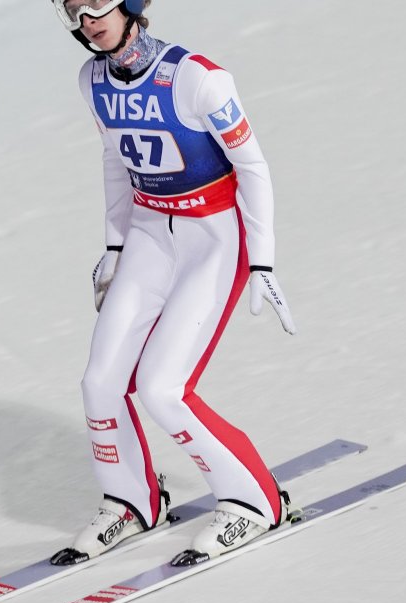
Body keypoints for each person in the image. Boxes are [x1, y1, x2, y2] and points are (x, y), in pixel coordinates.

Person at [46, 0, 300, 568]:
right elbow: (115, 159)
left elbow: (252, 168)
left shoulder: (196, 78)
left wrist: (263, 261)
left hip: (212, 239)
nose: (88, 18)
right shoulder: (92, 79)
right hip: (148, 234)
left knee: (164, 388)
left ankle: (255, 502)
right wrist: (114, 246)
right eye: (73, 9)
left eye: (98, 2)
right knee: (100, 382)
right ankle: (134, 501)